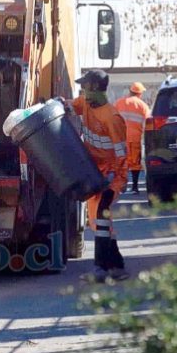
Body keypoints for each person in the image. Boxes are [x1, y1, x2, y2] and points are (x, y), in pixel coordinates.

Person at [69, 70, 129, 283]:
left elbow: (122, 155)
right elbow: (70, 105)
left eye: (85, 86)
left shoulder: (112, 118)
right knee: (98, 222)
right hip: (95, 173)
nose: (82, 90)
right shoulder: (85, 104)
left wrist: (114, 180)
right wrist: (59, 103)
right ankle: (117, 266)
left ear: (94, 87)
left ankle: (100, 268)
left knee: (101, 220)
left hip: (111, 177)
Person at [114, 82, 151, 194]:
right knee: (135, 163)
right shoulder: (143, 106)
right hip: (135, 139)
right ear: (140, 94)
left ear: (130, 91)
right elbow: (148, 124)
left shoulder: (119, 102)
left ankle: (121, 186)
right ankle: (135, 187)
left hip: (120, 138)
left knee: (121, 162)